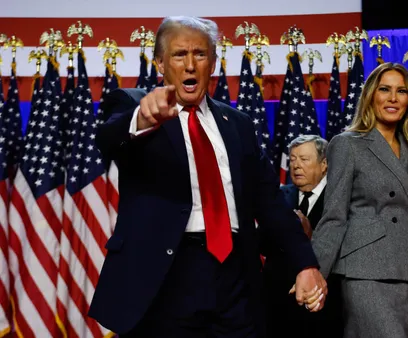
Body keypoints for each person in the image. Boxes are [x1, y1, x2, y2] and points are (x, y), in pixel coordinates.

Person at [88, 16, 326, 338]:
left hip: (235, 275)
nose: (189, 65)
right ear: (160, 62)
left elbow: (270, 204)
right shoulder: (134, 105)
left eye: (199, 54)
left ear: (212, 63)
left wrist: (305, 264)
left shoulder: (238, 124)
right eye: (178, 55)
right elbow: (107, 139)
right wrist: (142, 119)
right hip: (166, 276)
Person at [311, 62, 408, 338]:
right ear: (371, 95)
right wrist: (312, 273)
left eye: (401, 91)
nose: (393, 98)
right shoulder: (347, 144)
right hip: (366, 273)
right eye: (385, 89)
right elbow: (334, 218)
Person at [262, 134, 343, 338]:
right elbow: (262, 242)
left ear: (324, 164)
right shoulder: (278, 198)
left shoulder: (339, 198)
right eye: (292, 160)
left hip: (325, 304)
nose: (296, 166)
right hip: (279, 305)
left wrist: (310, 235)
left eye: (304, 159)